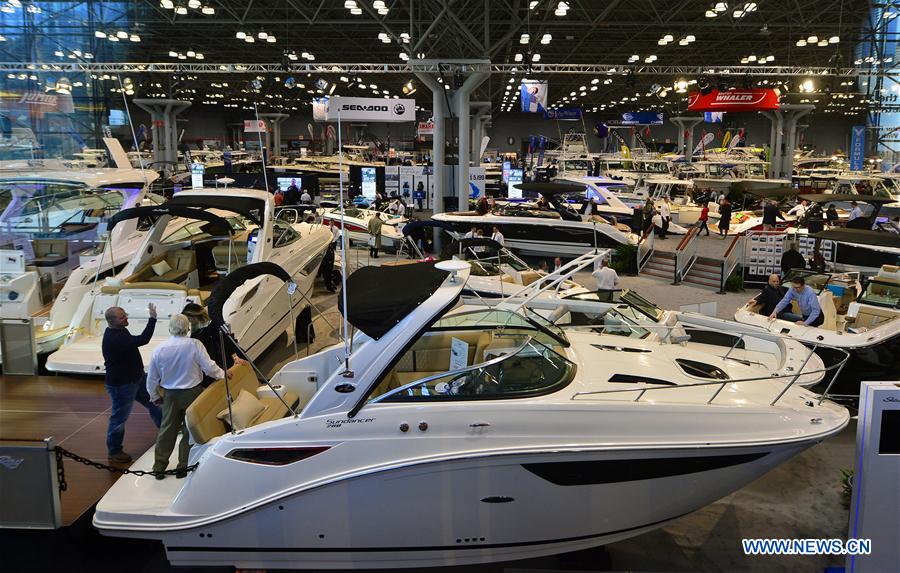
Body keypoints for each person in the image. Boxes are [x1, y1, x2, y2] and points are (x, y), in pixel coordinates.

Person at [146, 314, 225, 478]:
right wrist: (223, 375)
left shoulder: (159, 349)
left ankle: (159, 467)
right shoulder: (194, 345)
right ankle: (183, 466)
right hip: (193, 393)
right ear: (188, 328)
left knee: (167, 430)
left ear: (170, 328)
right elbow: (208, 367)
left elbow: (152, 378)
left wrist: (154, 396)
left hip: (170, 395)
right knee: (190, 430)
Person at [102, 304, 163, 463]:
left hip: (136, 378)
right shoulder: (115, 338)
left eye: (125, 315)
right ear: (112, 321)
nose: (126, 318)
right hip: (123, 385)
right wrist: (153, 319)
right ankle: (114, 451)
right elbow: (143, 339)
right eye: (122, 317)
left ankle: (167, 431)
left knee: (155, 402)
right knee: (119, 418)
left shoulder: (119, 330)